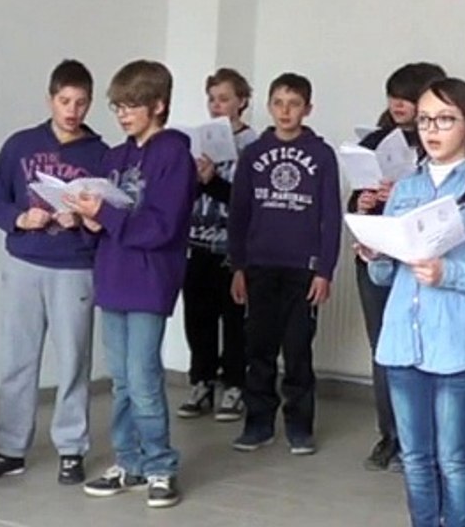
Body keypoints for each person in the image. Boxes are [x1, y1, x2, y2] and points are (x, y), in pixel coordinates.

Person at [359, 78, 465, 527]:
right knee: (416, 459)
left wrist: (448, 272)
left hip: (460, 349)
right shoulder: (405, 189)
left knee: (454, 458)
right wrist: (376, 255)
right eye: (425, 120)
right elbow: (384, 275)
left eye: (445, 119)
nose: (432, 129)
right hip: (403, 344)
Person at [69, 59, 198, 509]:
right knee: (121, 380)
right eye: (118, 107)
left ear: (158, 105)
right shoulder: (114, 156)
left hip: (149, 280)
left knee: (143, 378)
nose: (123, 115)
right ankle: (130, 461)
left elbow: (161, 226)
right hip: (113, 276)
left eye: (132, 106)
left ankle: (160, 465)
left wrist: (102, 214)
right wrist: (86, 215)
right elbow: (106, 222)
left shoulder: (173, 154)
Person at [0, 59, 108, 487]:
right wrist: (19, 218)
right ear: (50, 98)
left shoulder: (101, 154)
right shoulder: (20, 145)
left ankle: (72, 448)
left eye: (81, 102)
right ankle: (11, 449)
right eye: (65, 101)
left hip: (74, 267)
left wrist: (83, 223)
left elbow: (108, 220)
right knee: (17, 359)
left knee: (73, 360)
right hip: (24, 262)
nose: (72, 110)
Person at [228, 73, 342, 456]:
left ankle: (299, 427)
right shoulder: (254, 153)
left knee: (297, 351)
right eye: (278, 103)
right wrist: (238, 266)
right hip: (260, 266)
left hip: (302, 271)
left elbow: (330, 216)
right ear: (268, 107)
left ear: (307, 109)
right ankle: (258, 424)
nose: (285, 111)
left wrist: (324, 270)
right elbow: (239, 214)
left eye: (294, 104)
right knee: (258, 349)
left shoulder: (322, 155)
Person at [351, 61, 448, 472]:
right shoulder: (374, 142)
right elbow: (354, 203)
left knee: (425, 350)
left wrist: (406, 194)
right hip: (377, 255)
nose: (398, 104)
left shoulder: (441, 143)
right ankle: (389, 434)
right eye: (393, 95)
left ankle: (423, 440)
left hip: (421, 260)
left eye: (407, 97)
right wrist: (363, 202)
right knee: (384, 349)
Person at [177, 67, 258, 422]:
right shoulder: (198, 142)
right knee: (198, 318)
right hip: (197, 242)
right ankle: (202, 380)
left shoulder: (254, 146)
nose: (216, 105)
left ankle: (235, 384)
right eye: (212, 99)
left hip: (232, 247)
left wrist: (210, 182)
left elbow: (247, 201)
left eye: (224, 98)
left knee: (234, 319)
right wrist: (195, 179)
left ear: (241, 101)